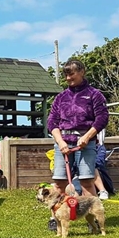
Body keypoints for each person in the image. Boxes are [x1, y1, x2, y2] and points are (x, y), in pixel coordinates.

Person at [47, 59, 109, 197]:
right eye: (66, 75)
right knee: (59, 183)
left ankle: (93, 217)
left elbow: (102, 119)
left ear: (82, 72)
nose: (68, 78)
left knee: (87, 181)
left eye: (72, 74)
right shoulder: (60, 97)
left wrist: (87, 137)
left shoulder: (95, 94)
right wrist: (60, 141)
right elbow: (52, 122)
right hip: (63, 144)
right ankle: (56, 218)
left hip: (86, 144)